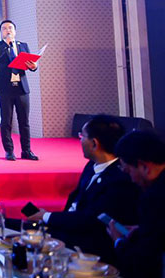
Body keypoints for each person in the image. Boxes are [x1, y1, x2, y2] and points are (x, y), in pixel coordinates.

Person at [23, 114, 138, 262]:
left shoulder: (120, 179)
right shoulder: (92, 165)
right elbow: (75, 202)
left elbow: (90, 220)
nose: (80, 140)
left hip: (88, 245)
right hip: (68, 227)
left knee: (20, 235)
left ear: (94, 144)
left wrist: (46, 216)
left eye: (82, 136)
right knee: (10, 224)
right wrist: (49, 218)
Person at [106, 130, 165, 278]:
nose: (131, 179)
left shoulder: (154, 198)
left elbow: (143, 263)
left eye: (128, 171)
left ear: (144, 166)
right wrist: (142, 230)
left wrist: (118, 241)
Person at [0, 20, 39, 161]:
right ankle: (9, 151)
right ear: (1, 32)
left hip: (22, 88)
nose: (8, 30)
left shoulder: (23, 46)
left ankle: (26, 151)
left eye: (10, 28)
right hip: (5, 88)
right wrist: (7, 44)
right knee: (6, 121)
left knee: (24, 121)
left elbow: (30, 65)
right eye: (4, 28)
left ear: (15, 31)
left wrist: (34, 66)